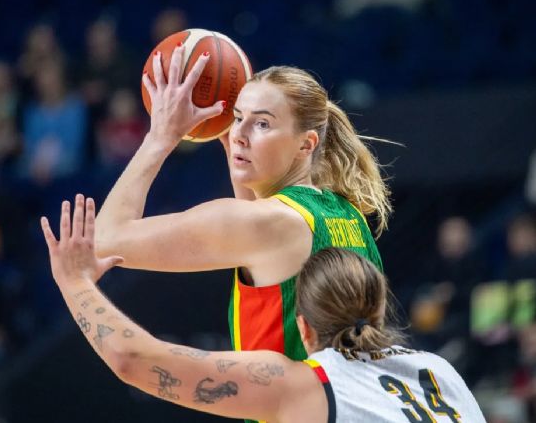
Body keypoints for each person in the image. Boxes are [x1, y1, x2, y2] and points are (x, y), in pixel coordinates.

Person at [41, 196, 485, 422]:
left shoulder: (306, 387)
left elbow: (133, 359)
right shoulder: (438, 371)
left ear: (303, 328)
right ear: (379, 305)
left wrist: (74, 281)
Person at [95, 45, 390, 363]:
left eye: (262, 124)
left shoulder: (267, 224)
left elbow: (104, 241)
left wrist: (159, 137)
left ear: (306, 144)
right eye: (237, 118)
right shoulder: (349, 213)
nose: (238, 134)